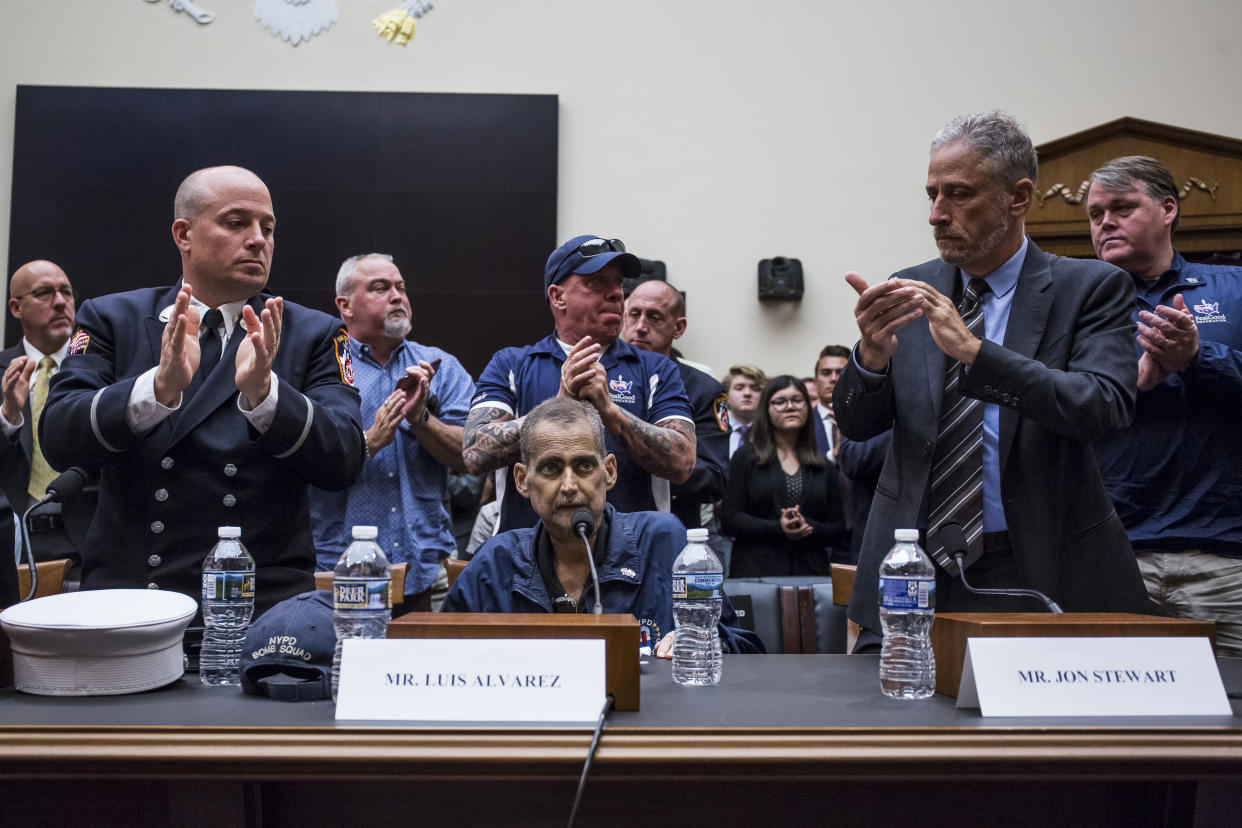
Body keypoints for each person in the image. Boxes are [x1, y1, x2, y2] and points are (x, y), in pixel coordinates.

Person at [835, 111, 1151, 649]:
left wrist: (976, 354)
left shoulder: (1091, 288)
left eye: (959, 194)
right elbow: (857, 427)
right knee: (893, 727)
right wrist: (870, 357)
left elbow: (1102, 406)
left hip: (1034, 560)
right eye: (932, 194)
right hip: (911, 559)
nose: (937, 214)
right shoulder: (909, 288)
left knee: (1034, 729)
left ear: (1018, 197)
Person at [41, 165, 364, 617]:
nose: (258, 239)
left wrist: (266, 395)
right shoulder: (112, 318)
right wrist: (158, 388)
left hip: (260, 605)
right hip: (131, 601)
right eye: (237, 223)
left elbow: (346, 457)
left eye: (267, 228)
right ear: (183, 234)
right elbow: (59, 436)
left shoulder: (313, 332)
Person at [444, 398, 762, 655]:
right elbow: (435, 654)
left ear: (609, 472)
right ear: (522, 480)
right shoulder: (495, 560)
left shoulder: (665, 541)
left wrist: (703, 644)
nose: (569, 486)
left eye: (584, 466)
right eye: (551, 469)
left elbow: (744, 649)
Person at [1086, 155, 1242, 656]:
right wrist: (1124, 384)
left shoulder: (1233, 289)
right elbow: (1046, 406)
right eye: (1094, 214)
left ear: (1168, 208)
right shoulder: (1073, 306)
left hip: (1224, 558)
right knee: (1111, 724)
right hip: (1113, 554)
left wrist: (1198, 359)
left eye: (1122, 207)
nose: (1105, 222)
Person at [463, 235, 695, 533]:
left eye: (618, 283)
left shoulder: (655, 368)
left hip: (633, 558)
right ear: (558, 296)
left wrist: (609, 411)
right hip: (528, 562)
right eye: (598, 282)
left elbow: (683, 463)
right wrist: (560, 405)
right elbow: (473, 453)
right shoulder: (512, 364)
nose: (616, 294)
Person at [309, 253, 474, 612]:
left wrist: (420, 420)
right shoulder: (323, 369)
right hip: (343, 568)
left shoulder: (440, 368)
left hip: (427, 565)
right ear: (345, 305)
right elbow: (301, 457)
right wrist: (366, 442)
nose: (397, 296)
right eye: (380, 288)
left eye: (400, 287)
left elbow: (470, 456)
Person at [1, 260, 93, 566]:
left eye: (66, 292)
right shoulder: (3, 371)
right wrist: (9, 418)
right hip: (16, 538)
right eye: (44, 293)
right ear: (16, 307)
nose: (59, 302)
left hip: (88, 535)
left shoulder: (96, 364)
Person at [622, 279, 729, 530]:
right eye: (634, 314)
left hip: (674, 529)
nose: (640, 327)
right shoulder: (600, 376)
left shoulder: (703, 388)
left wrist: (655, 454)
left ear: (678, 328)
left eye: (654, 317)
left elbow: (714, 479)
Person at [720, 375, 847, 577]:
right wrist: (777, 527)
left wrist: (810, 527)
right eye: (780, 401)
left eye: (797, 400)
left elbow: (838, 529)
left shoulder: (823, 465)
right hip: (755, 575)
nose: (790, 407)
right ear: (766, 410)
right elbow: (729, 520)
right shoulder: (746, 457)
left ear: (807, 407)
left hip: (811, 576)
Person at [722, 364, 766, 458]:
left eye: (755, 388)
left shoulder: (772, 432)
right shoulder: (715, 430)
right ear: (726, 396)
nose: (747, 393)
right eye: (739, 388)